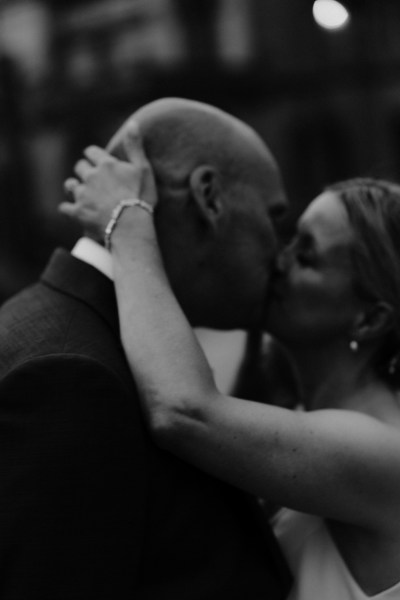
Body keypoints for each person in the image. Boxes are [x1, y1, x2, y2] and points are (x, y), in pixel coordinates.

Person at [62, 130, 400, 600]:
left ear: (370, 318)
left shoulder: (383, 450)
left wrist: (127, 218)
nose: (278, 261)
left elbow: (183, 409)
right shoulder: (302, 414)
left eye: (307, 255)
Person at [0, 98, 291, 599]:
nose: (281, 253)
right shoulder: (71, 375)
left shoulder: (82, 335)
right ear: (209, 197)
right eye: (275, 218)